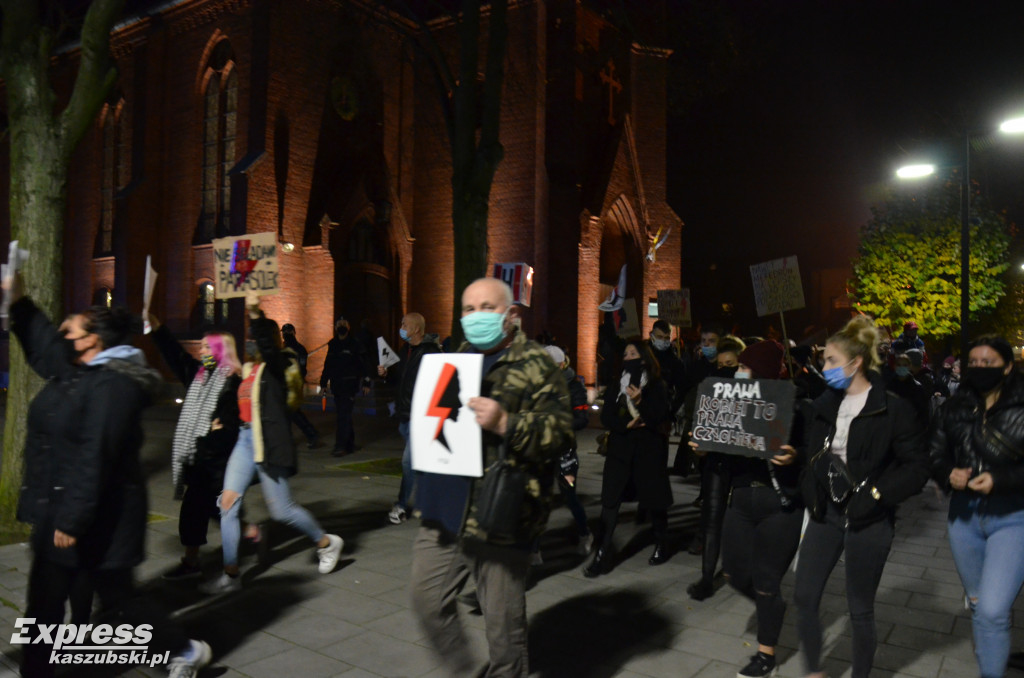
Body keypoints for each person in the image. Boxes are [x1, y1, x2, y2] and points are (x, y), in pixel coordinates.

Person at [8, 283, 211, 678]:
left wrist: (71, 519)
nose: (61, 339)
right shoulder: (81, 368)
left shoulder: (114, 385)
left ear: (92, 342)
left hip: (100, 519)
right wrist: (18, 302)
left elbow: (94, 455)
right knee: (44, 604)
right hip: (67, 508)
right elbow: (45, 347)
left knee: (121, 600)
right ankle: (36, 669)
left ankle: (184, 650)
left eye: (69, 332)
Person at [409, 277, 571, 678]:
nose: (476, 316)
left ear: (511, 315)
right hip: (447, 511)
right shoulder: (455, 359)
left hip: (503, 516)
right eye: (468, 308)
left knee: (503, 629)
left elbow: (562, 431)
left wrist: (506, 423)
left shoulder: (537, 364)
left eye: (487, 307)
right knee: (425, 599)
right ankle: (464, 670)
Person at [795, 316, 929, 678]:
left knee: (860, 610)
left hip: (868, 520)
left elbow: (917, 468)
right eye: (823, 360)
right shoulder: (823, 404)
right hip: (826, 516)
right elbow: (813, 456)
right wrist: (810, 490)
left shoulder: (891, 407)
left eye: (831, 361)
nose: (823, 367)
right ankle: (813, 672)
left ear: (855, 363)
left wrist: (875, 494)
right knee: (804, 597)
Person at [201, 295, 343, 594]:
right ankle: (231, 573)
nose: (251, 341)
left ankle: (326, 543)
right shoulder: (248, 369)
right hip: (243, 440)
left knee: (282, 511)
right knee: (227, 503)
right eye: (250, 337)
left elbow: (266, 345)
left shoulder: (279, 365)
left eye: (255, 337)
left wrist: (254, 313)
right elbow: (237, 400)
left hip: (268, 442)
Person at [929, 335, 1024, 678]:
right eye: (975, 363)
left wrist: (1001, 480)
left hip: (1013, 517)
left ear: (1008, 366)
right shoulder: (955, 407)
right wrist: (947, 473)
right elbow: (935, 453)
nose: (981, 369)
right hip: (964, 520)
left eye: (990, 362)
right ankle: (991, 656)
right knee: (981, 605)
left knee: (994, 611)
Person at [716, 340, 805, 677]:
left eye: (743, 367)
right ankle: (772, 606)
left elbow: (808, 454)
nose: (737, 372)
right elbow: (726, 455)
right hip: (740, 501)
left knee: (766, 580)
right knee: (734, 574)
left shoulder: (793, 408)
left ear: (761, 372)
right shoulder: (731, 405)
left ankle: (765, 656)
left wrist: (793, 457)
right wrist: (703, 449)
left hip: (778, 505)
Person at [150, 316, 242, 580]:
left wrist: (218, 429)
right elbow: (175, 356)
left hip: (215, 462)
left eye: (206, 347)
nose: (201, 351)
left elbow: (230, 425)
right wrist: (158, 329)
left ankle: (196, 563)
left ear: (219, 351)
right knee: (210, 511)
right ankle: (249, 534)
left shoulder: (232, 382)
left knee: (201, 510)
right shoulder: (199, 377)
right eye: (200, 347)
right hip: (199, 459)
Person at [584, 338, 673, 577]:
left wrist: (640, 402)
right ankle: (602, 554)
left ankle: (662, 543)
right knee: (610, 503)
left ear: (644, 358)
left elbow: (659, 415)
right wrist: (626, 424)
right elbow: (607, 417)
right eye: (625, 355)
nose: (628, 358)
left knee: (655, 502)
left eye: (633, 354)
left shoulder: (656, 385)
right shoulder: (617, 384)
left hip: (647, 452)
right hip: (620, 452)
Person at [686, 335, 746, 599]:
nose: (725, 369)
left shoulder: (752, 394)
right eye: (721, 365)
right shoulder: (709, 390)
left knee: (739, 523)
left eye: (731, 364)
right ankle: (707, 578)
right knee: (711, 521)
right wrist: (699, 447)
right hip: (715, 464)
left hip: (743, 468)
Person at [532, 344, 594, 564]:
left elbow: (582, 418)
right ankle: (534, 550)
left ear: (561, 364)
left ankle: (585, 534)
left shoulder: (574, 386)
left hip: (565, 452)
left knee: (569, 495)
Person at [378, 312, 440, 524]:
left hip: (420, 416)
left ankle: (401, 505)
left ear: (416, 329)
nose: (401, 327)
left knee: (408, 461)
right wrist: (387, 375)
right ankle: (433, 499)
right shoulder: (406, 350)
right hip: (405, 415)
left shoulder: (430, 352)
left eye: (405, 324)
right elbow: (401, 380)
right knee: (419, 461)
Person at [320, 317, 369, 456]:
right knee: (344, 414)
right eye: (339, 324)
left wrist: (366, 381)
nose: (341, 326)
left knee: (343, 415)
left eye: (344, 324)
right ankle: (350, 444)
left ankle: (340, 446)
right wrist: (323, 382)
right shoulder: (333, 344)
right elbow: (328, 364)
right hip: (337, 385)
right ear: (335, 327)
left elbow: (363, 363)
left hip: (350, 384)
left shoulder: (355, 344)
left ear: (349, 327)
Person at [281, 322, 320, 449]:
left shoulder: (299, 349)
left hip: (293, 384)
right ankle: (290, 439)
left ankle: (311, 434)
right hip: (284, 384)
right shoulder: (282, 349)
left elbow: (302, 368)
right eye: (284, 332)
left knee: (293, 412)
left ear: (293, 333)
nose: (286, 335)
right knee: (288, 413)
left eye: (288, 332)